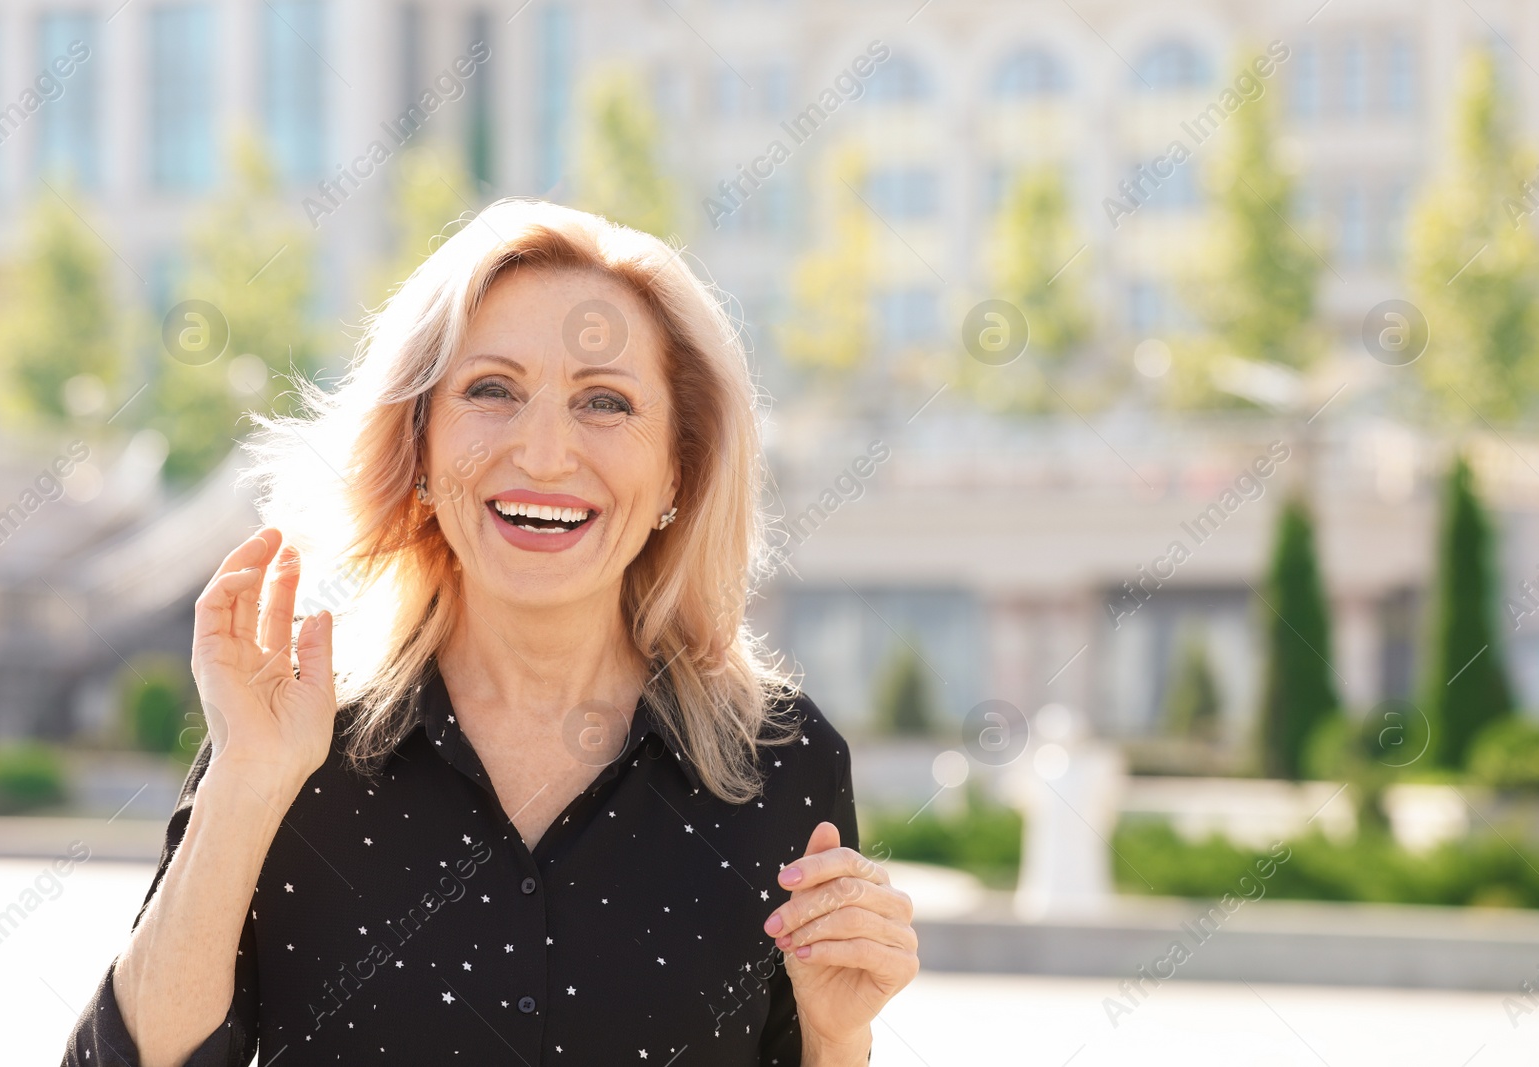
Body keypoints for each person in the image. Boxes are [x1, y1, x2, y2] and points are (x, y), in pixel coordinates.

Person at [65, 199, 919, 1066]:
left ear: (679, 470)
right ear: (421, 444)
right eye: (491, 390)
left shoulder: (782, 761)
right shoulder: (288, 742)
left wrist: (839, 1034)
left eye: (605, 402)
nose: (545, 454)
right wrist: (245, 785)